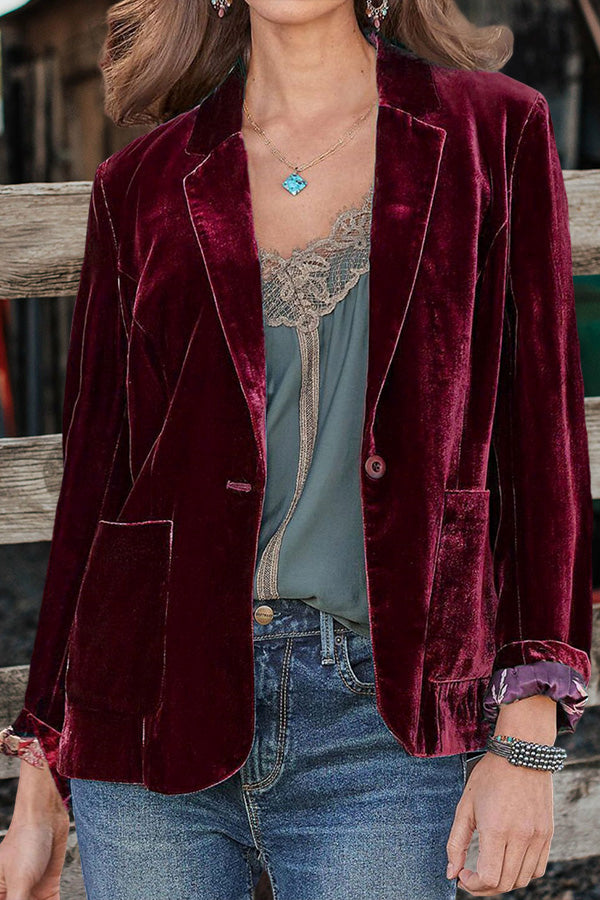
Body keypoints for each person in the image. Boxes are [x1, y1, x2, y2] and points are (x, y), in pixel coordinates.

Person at [0, 1, 594, 898]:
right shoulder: (142, 181)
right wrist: (43, 770)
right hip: (154, 715)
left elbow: (542, 443)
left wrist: (528, 734)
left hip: (385, 723)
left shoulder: (491, 132)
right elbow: (97, 478)